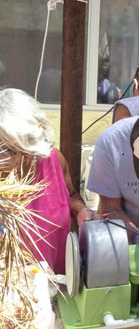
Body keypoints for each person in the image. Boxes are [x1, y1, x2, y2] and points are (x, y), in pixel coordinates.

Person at [0, 88, 95, 274]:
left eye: (11, 150)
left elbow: (71, 195)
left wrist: (81, 210)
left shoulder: (52, 160)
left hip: (56, 282)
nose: (4, 159)